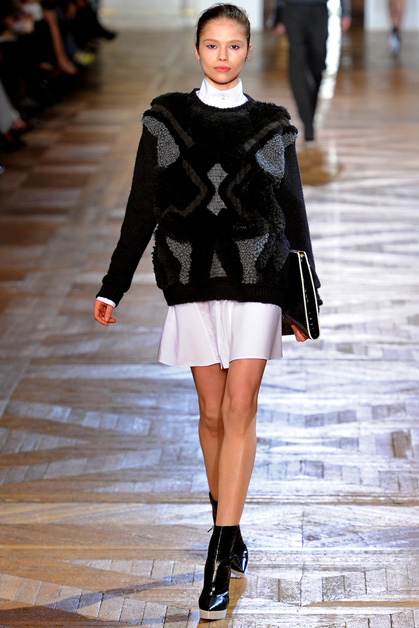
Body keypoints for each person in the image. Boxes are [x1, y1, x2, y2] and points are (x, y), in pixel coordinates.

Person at [94, 3, 321, 620]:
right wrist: (114, 285)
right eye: (212, 45)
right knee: (212, 413)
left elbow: (294, 214)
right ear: (197, 49)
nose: (223, 56)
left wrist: (303, 297)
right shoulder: (165, 120)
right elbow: (141, 206)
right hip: (189, 275)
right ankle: (230, 520)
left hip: (258, 276)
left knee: (241, 406)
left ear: (248, 50)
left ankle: (218, 553)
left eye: (233, 45)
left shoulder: (272, 127)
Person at [276, 0, 351, 144]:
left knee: (318, 65)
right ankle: (308, 123)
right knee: (297, 66)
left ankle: (309, 116)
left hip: (319, 9)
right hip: (293, 9)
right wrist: (278, 13)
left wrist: (345, 11)